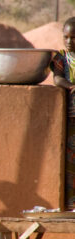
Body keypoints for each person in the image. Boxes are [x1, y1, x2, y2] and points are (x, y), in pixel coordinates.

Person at [51, 16, 75, 210]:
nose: (69, 42)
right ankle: (71, 204)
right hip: (71, 117)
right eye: (66, 37)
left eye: (74, 38)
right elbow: (57, 79)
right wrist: (71, 86)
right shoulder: (61, 58)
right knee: (70, 162)